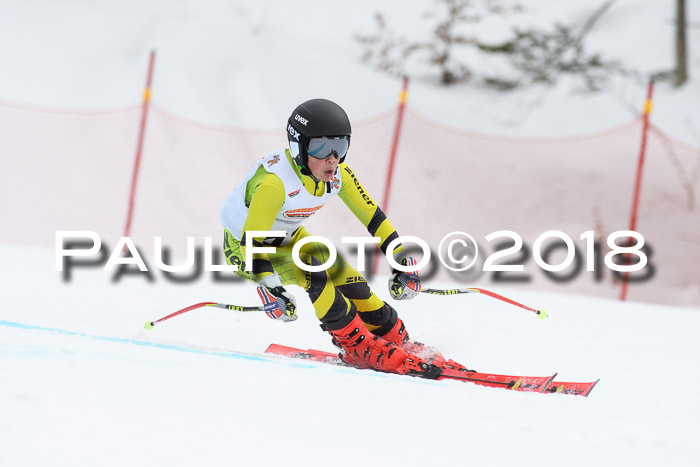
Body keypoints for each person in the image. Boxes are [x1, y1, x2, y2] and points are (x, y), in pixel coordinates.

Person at [220, 98, 460, 379]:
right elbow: (254, 241)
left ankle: (394, 338)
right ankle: (356, 345)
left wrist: (401, 262)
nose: (332, 158)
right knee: (315, 270)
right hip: (246, 248)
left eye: (340, 147)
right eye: (321, 147)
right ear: (299, 146)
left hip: (289, 236)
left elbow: (373, 218)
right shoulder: (274, 184)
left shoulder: (338, 175)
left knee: (348, 277)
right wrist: (270, 286)